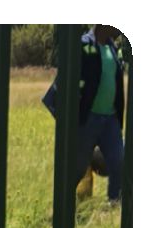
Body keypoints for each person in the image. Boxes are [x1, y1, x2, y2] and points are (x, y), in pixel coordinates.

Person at [46, 28, 131, 201]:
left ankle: (115, 203)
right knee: (77, 167)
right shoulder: (83, 44)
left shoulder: (112, 48)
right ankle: (65, 203)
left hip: (110, 119)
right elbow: (69, 76)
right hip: (88, 118)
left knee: (120, 162)